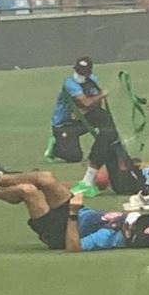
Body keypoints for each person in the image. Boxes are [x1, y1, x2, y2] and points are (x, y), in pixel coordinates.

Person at [0, 158, 149, 252]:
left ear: (128, 233)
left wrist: (72, 214)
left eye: (133, 221)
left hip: (60, 232)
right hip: (78, 211)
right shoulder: (147, 232)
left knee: (28, 191)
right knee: (45, 178)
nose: (133, 216)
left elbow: (74, 247)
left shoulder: (107, 237)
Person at [48, 56, 143, 197]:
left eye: (83, 72)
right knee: (74, 156)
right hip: (65, 124)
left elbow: (92, 106)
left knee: (106, 123)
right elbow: (86, 102)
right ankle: (56, 146)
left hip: (82, 118)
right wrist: (101, 96)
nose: (80, 75)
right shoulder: (70, 83)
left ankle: (114, 149)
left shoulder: (93, 80)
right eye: (78, 72)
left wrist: (89, 108)